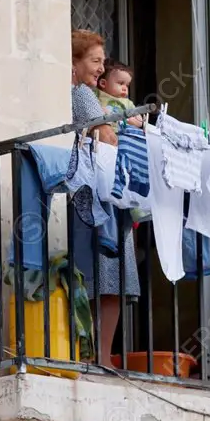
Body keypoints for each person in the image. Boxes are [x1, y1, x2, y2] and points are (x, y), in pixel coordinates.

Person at [70, 29, 139, 365]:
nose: (101, 67)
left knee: (95, 277)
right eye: (95, 61)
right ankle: (102, 356)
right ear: (75, 62)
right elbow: (108, 137)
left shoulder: (83, 95)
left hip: (89, 195)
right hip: (100, 197)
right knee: (109, 277)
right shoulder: (82, 95)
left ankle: (90, 353)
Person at [96, 59, 143, 130]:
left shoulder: (127, 102)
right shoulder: (96, 95)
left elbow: (140, 122)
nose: (125, 88)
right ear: (103, 83)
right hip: (104, 132)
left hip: (125, 132)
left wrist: (128, 119)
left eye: (127, 85)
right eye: (121, 83)